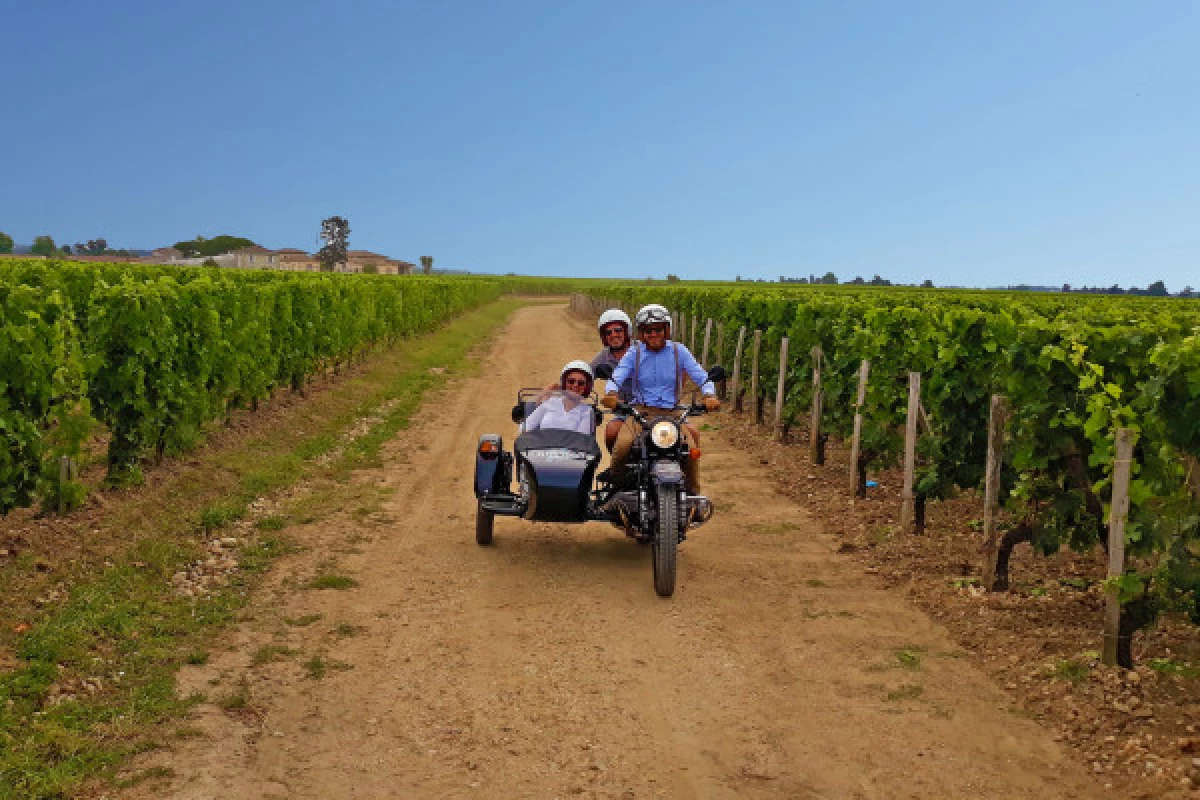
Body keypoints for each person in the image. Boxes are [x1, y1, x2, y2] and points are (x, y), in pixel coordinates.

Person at [601, 304, 720, 491]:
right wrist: (611, 393)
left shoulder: (679, 351)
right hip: (641, 413)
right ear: (641, 333)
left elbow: (701, 376)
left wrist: (709, 395)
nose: (653, 334)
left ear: (667, 330)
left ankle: (693, 497)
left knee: (690, 452)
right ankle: (617, 488)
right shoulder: (635, 353)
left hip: (673, 414)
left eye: (658, 329)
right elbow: (618, 376)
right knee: (622, 446)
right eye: (648, 330)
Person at [590, 309, 634, 451]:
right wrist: (555, 390)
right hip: (625, 412)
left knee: (690, 434)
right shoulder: (604, 357)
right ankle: (617, 470)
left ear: (626, 331)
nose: (614, 335)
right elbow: (584, 374)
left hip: (653, 407)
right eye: (608, 332)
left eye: (618, 330)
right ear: (604, 337)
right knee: (611, 431)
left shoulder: (641, 350)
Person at [521, 361, 596, 435]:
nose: (575, 385)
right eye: (571, 381)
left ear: (587, 387)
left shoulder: (587, 411)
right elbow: (524, 427)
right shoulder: (549, 403)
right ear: (564, 383)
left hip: (570, 447)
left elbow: (582, 440)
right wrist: (542, 394)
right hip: (541, 446)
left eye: (581, 383)